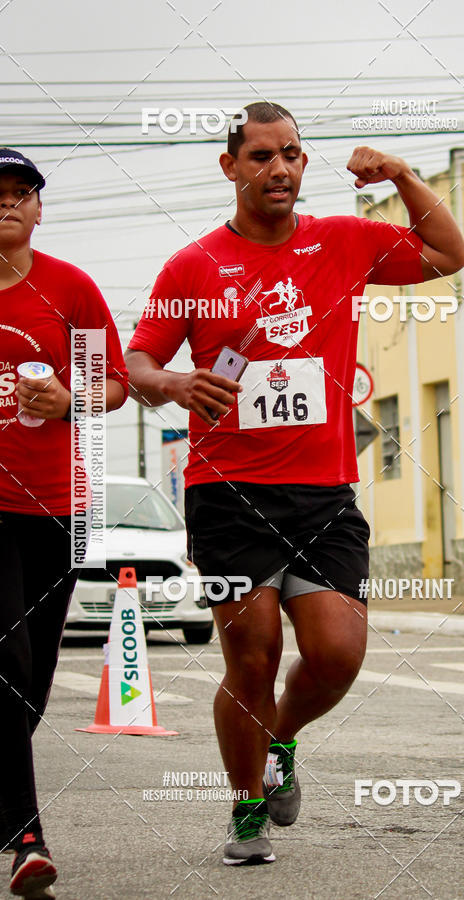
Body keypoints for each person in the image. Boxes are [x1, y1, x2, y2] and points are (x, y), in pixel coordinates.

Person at [125, 102, 464, 866]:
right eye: (260, 157)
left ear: (303, 163)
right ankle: (246, 809)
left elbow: (449, 254)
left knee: (338, 654)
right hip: (230, 488)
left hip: (324, 491)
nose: (279, 169)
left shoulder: (345, 241)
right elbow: (136, 365)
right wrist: (177, 382)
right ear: (230, 168)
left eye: (291, 154)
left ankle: (280, 736)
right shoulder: (192, 267)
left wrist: (405, 176)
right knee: (251, 651)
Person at [0, 149, 128, 897]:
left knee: (33, 682)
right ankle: (26, 839)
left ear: (40, 209)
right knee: (6, 662)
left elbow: (113, 383)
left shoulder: (69, 290)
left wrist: (69, 399)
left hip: (60, 506)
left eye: (22, 194)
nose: (8, 204)